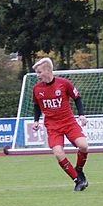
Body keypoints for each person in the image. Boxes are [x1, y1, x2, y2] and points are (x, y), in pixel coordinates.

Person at [30, 57, 90, 191]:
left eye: (39, 72)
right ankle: (77, 180)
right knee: (58, 153)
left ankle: (79, 169)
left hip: (69, 122)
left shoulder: (64, 83)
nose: (37, 76)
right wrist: (36, 121)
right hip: (53, 126)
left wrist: (81, 115)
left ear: (48, 70)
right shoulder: (36, 89)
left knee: (84, 146)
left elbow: (77, 98)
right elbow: (36, 106)